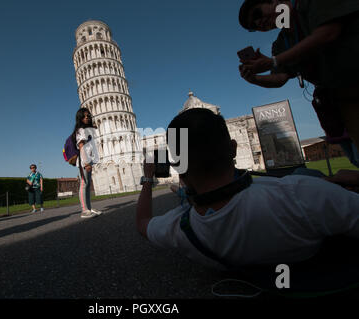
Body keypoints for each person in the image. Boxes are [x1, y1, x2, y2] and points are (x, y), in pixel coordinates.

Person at [136, 108, 359, 273]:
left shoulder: (181, 228)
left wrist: (148, 178)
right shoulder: (300, 194)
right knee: (304, 174)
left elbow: (143, 223)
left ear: (177, 165)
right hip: (308, 194)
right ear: (233, 148)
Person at [238, 0, 359, 151]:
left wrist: (274, 61)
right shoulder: (281, 43)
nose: (259, 22)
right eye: (254, 26)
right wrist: (253, 79)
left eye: (258, 13)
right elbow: (280, 78)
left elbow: (328, 33)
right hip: (343, 97)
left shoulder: (308, 5)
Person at [72, 108, 102, 218]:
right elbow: (82, 147)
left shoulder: (87, 130)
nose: (87, 117)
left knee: (88, 185)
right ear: (80, 118)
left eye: (88, 116)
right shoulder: (81, 130)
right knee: (84, 184)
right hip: (84, 161)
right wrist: (86, 163)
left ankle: (89, 208)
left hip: (88, 160)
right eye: (84, 116)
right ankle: (84, 210)